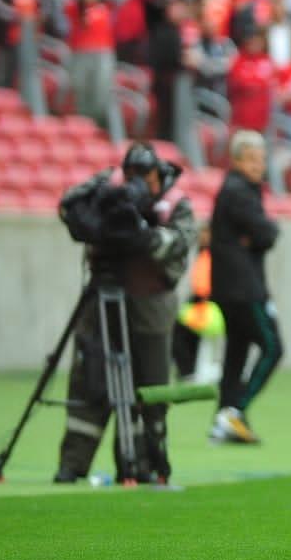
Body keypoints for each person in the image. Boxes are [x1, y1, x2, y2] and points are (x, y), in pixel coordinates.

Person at [55, 143, 199, 483]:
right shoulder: (110, 184)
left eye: (143, 179)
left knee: (150, 389)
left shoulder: (176, 202)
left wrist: (143, 236)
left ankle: (144, 464)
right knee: (89, 382)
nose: (135, 186)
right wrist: (101, 202)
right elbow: (70, 208)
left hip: (150, 303)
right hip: (102, 298)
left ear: (158, 175)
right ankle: (72, 465)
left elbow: (180, 243)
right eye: (130, 177)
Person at [205, 131, 283, 445]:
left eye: (261, 159)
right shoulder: (240, 191)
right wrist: (264, 233)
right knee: (272, 346)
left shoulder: (237, 189)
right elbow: (265, 233)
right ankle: (235, 410)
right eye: (251, 159)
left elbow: (259, 235)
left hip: (227, 285)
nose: (257, 165)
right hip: (243, 287)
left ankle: (224, 420)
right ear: (236, 161)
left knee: (236, 352)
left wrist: (258, 235)